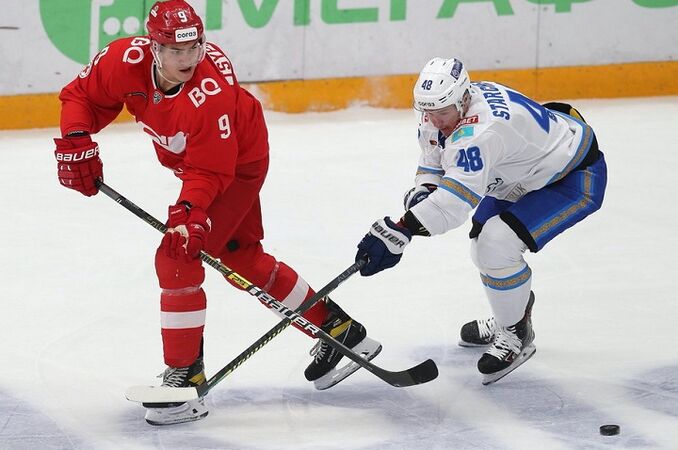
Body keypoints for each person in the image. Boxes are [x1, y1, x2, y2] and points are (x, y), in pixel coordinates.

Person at [53, 0, 381, 425]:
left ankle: (186, 376)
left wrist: (190, 216)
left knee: (177, 255)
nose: (188, 59)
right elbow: (80, 95)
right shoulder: (124, 60)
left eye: (194, 48)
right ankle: (339, 331)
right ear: (154, 47)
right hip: (200, 165)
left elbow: (210, 171)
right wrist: (77, 139)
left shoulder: (210, 91)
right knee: (240, 256)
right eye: (176, 50)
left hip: (236, 164)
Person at [355, 57, 607, 385]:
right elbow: (433, 161)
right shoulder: (444, 111)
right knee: (481, 241)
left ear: (463, 100)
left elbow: (453, 207)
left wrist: (403, 228)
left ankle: (515, 331)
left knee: (496, 246)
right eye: (427, 112)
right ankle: (511, 312)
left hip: (572, 177)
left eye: (442, 112)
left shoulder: (481, 132)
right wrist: (423, 191)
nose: (434, 120)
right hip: (523, 170)